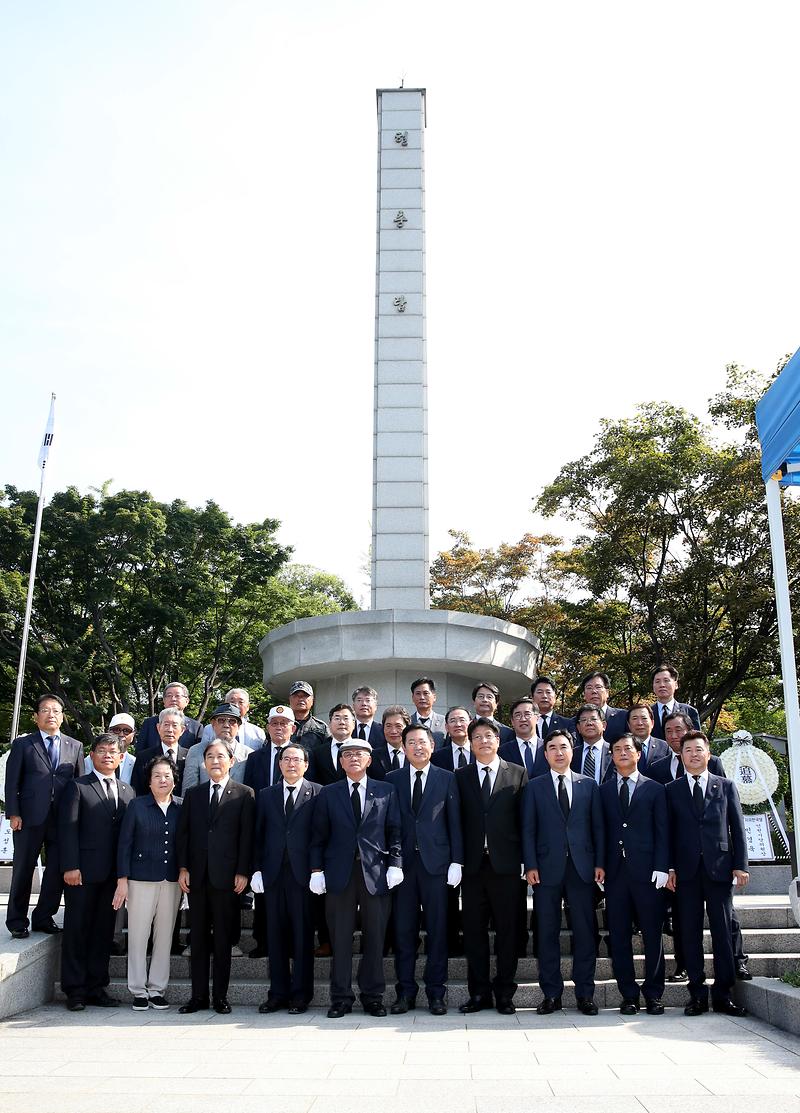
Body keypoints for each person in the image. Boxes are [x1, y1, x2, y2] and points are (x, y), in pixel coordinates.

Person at [309, 738, 403, 1018]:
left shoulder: (386, 791)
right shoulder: (328, 793)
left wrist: (395, 864)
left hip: (375, 873)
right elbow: (318, 837)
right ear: (340, 762)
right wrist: (316, 870)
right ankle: (340, 997)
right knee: (340, 939)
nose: (353, 758)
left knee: (375, 939)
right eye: (347, 754)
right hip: (339, 875)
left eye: (359, 754)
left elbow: (395, 831)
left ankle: (373, 996)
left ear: (369, 760)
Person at [666, 731, 749, 1017]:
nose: (693, 754)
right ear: (681, 755)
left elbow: (737, 829)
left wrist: (741, 865)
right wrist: (670, 868)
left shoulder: (725, 786)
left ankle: (723, 993)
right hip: (686, 872)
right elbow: (667, 833)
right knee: (689, 933)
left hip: (720, 870)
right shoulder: (672, 789)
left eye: (699, 749)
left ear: (708, 754)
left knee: (723, 932)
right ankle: (697, 994)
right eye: (687, 750)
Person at [523, 729, 605, 1016]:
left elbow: (597, 828)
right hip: (545, 870)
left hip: (582, 868)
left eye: (564, 747)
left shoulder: (589, 785)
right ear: (545, 754)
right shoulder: (534, 787)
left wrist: (599, 862)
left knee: (585, 931)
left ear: (573, 751)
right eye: (553, 748)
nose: (559, 752)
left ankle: (585, 993)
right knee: (546, 932)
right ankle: (551, 994)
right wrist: (530, 865)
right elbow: (528, 829)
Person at [386, 724, 463, 1015]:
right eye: (411, 743)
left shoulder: (447, 778)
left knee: (438, 931)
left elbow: (454, 822)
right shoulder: (391, 779)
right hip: (403, 867)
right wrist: (391, 863)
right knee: (403, 932)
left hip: (437, 866)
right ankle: (405, 992)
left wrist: (457, 860)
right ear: (403, 748)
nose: (417, 747)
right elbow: (388, 824)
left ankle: (436, 993)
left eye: (423, 742)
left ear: (432, 746)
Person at [454, 717, 527, 1014]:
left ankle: (505, 993)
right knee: (473, 932)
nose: (484, 741)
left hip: (507, 867)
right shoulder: (460, 776)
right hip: (473, 868)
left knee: (509, 931)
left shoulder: (518, 774)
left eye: (489, 736)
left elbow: (525, 821)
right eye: (478, 737)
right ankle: (479, 993)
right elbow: (456, 821)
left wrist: (526, 860)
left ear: (498, 741)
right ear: (470, 743)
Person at [176, 739, 255, 1014]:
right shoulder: (194, 794)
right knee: (197, 939)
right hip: (197, 877)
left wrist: (243, 871)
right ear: (204, 762)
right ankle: (198, 997)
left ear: (231, 761)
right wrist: (183, 868)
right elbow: (184, 834)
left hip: (227, 878)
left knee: (223, 940)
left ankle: (220, 996)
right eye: (210, 757)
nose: (215, 761)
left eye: (221, 756)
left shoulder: (245, 794)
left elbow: (247, 837)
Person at [59, 733, 135, 1010]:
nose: (107, 755)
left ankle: (96, 987)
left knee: (103, 932)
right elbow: (67, 829)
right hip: (81, 873)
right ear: (91, 756)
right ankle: (75, 990)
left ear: (121, 758)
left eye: (112, 752)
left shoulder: (128, 791)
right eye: (101, 751)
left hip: (113, 876)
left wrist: (124, 875)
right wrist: (70, 866)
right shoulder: (78, 787)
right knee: (77, 930)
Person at [4, 693, 84, 939]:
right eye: (46, 710)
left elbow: (78, 784)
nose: (51, 714)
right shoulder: (23, 744)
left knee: (57, 870)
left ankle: (43, 916)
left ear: (62, 716)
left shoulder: (75, 746)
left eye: (56, 711)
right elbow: (11, 782)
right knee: (23, 868)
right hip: (28, 818)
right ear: (37, 717)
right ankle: (17, 920)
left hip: (62, 820)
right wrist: (13, 812)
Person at [600, 734, 669, 1014]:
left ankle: (654, 994)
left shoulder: (655, 789)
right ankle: (628, 994)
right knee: (618, 936)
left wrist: (663, 867)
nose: (623, 753)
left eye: (628, 748)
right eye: (617, 750)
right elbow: (600, 831)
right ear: (612, 756)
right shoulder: (602, 791)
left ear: (638, 754)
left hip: (649, 874)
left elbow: (663, 831)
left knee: (653, 934)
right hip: (615, 875)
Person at [251, 742, 321, 1014]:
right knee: (275, 935)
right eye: (286, 759)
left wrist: (317, 870)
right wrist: (256, 868)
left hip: (303, 876)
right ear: (279, 765)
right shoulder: (266, 795)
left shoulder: (318, 793)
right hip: (273, 874)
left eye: (297, 760)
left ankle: (301, 994)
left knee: (303, 936)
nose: (291, 764)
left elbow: (320, 835)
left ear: (306, 765)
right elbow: (258, 835)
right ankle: (277, 993)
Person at [113, 755, 182, 1010]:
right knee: (139, 935)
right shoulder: (137, 806)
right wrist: (123, 880)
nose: (163, 780)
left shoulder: (181, 807)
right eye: (157, 776)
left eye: (167, 775)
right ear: (149, 782)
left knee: (164, 936)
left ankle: (157, 989)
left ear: (174, 780)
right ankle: (138, 989)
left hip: (172, 880)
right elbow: (125, 844)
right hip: (140, 879)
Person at [185, 702, 251, 789]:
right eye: (221, 720)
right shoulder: (196, 751)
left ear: (238, 726)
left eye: (232, 721)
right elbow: (188, 791)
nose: (226, 725)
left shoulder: (249, 754)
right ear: (213, 724)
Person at [131, 707, 190, 796]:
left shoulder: (190, 756)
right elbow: (138, 790)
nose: (170, 730)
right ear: (158, 728)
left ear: (182, 730)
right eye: (166, 724)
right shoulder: (144, 757)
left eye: (174, 725)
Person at [135, 682, 203, 751]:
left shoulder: (196, 727)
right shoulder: (149, 723)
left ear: (187, 701)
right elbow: (139, 752)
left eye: (177, 696)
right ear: (164, 700)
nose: (173, 699)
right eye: (169, 695)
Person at [199, 688, 266, 751]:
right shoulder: (209, 729)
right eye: (232, 701)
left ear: (248, 706)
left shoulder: (258, 732)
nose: (236, 705)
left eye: (241, 702)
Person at [499, 696, 547, 778]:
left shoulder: (548, 747)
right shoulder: (502, 751)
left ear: (537, 718)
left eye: (527, 714)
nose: (523, 719)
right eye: (518, 715)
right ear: (512, 722)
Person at [650, 664, 701, 739]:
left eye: (666, 680)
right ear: (653, 686)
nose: (662, 685)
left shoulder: (689, 711)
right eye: (657, 681)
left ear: (676, 685)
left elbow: (696, 741)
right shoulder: (648, 713)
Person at [310, 704, 354, 786]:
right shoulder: (318, 753)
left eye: (346, 718)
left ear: (354, 724)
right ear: (329, 724)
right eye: (337, 718)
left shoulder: (362, 750)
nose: (342, 722)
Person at [578, 671, 628, 744]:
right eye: (589, 688)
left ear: (607, 692)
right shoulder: (576, 721)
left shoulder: (623, 716)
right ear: (584, 694)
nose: (594, 691)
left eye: (598, 687)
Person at [85, 713, 136, 783]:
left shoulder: (135, 763)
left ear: (133, 735)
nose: (121, 734)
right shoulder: (90, 761)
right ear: (109, 731)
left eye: (127, 731)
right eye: (117, 730)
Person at [571, 705, 614, 784]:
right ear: (578, 728)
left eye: (594, 719)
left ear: (604, 725)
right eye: (584, 720)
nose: (589, 723)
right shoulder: (571, 754)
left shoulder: (615, 751)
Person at [370, 705, 410, 778]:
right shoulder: (373, 756)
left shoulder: (414, 755)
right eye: (388, 726)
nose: (393, 731)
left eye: (398, 726)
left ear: (407, 728)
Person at [627, 704, 669, 772]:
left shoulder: (665, 747)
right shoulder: (622, 748)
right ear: (628, 724)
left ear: (652, 723)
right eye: (635, 718)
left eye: (644, 718)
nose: (640, 723)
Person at [530, 676, 574, 740]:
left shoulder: (567, 724)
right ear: (532, 697)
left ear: (555, 697)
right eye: (539, 692)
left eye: (548, 692)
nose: (544, 696)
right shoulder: (527, 722)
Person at [431, 706, 474, 771]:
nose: (458, 724)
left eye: (462, 720)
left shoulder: (480, 751)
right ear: (446, 727)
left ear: (471, 724)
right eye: (453, 721)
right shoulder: (437, 757)